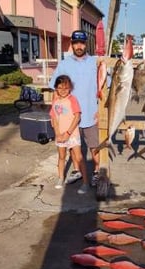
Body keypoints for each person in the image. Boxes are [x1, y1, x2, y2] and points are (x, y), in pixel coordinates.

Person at [49, 30, 104, 187]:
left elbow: (105, 88)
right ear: (72, 44)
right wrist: (54, 116)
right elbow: (55, 91)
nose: (79, 46)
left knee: (94, 146)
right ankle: (77, 170)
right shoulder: (64, 63)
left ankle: (97, 171)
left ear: (86, 44)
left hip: (90, 113)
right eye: (75, 43)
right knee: (74, 147)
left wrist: (102, 111)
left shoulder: (96, 62)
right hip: (69, 117)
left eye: (82, 43)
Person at [49, 75, 89, 194]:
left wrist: (68, 133)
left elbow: (77, 117)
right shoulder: (55, 101)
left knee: (79, 157)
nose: (63, 91)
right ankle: (61, 177)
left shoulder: (72, 99)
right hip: (60, 135)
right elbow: (54, 119)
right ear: (56, 88)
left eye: (66, 88)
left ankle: (85, 183)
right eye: (60, 88)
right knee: (61, 157)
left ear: (70, 88)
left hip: (72, 134)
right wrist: (58, 134)